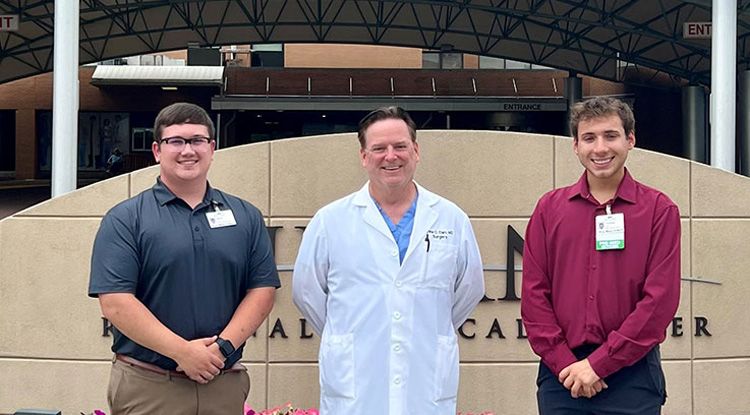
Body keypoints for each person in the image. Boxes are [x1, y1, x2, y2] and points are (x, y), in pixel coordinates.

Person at [88, 102, 279, 415]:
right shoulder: (126, 218)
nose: (187, 150)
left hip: (223, 382)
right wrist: (183, 352)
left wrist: (223, 349)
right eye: (175, 141)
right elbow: (116, 303)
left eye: (197, 140)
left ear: (212, 148)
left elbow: (262, 291)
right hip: (149, 385)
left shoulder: (246, 216)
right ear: (157, 150)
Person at [292, 106, 485, 415]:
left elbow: (469, 289)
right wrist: (347, 335)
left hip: (426, 384)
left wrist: (422, 325)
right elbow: (306, 293)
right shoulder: (330, 221)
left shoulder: (451, 218)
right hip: (355, 387)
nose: (391, 156)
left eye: (400, 147)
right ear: (364, 156)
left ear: (416, 151)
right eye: (379, 148)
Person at [521, 96, 681, 414]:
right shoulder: (549, 210)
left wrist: (598, 365)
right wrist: (569, 365)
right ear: (576, 146)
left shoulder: (659, 211)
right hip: (562, 376)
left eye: (611, 136)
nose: (600, 148)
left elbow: (658, 303)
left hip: (633, 376)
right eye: (589, 138)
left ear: (630, 140)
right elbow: (534, 297)